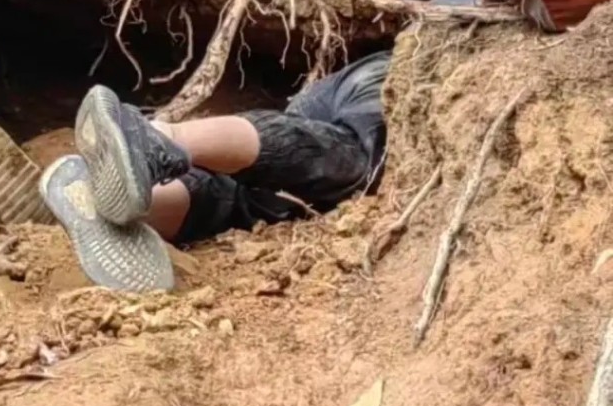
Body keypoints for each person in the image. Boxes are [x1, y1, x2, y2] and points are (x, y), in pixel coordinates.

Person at [39, 51, 390, 292]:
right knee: (359, 164)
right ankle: (154, 139)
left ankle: (111, 200)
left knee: (251, 198)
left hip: (316, 110)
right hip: (378, 80)